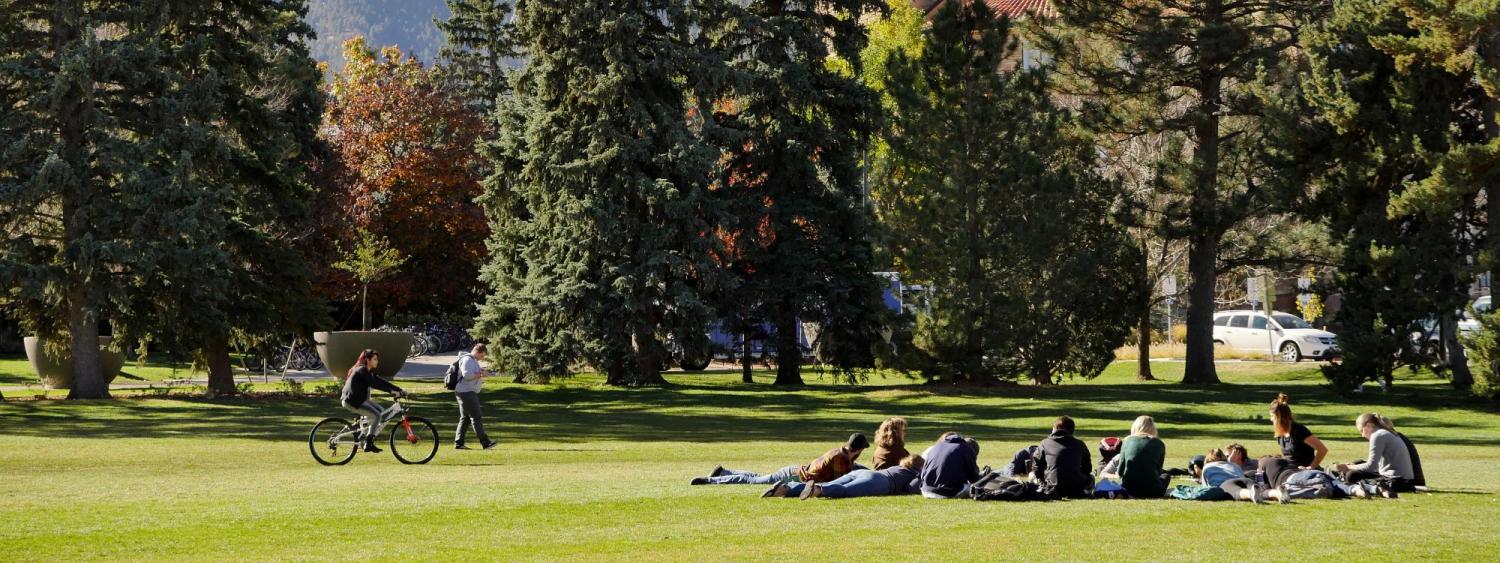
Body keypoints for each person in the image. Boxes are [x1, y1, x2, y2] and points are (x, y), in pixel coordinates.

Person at [691, 434, 868, 486]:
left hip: (794, 472)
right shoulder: (840, 458)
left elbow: (854, 468)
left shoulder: (841, 452)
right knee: (754, 481)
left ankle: (723, 472)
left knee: (758, 477)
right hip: (792, 477)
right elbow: (840, 481)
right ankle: (710, 480)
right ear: (858, 450)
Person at [767, 455, 925, 500]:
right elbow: (911, 487)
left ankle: (785, 489)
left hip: (863, 473)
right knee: (845, 491)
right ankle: (817, 490)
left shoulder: (899, 467)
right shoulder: (915, 472)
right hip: (880, 482)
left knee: (834, 483)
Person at [1332, 413, 1416, 495]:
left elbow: (1371, 466)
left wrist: (1347, 467)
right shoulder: (1387, 432)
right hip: (1404, 481)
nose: (1362, 435)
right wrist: (1353, 466)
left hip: (1396, 481)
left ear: (1368, 425)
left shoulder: (1378, 435)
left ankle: (1373, 488)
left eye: (1362, 431)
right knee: (1358, 463)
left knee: (1351, 475)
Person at [340, 349, 406, 453]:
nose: (377, 361)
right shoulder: (361, 370)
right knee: (377, 416)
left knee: (380, 411)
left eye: (377, 359)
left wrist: (399, 390)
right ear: (368, 359)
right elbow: (374, 384)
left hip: (359, 400)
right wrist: (391, 392)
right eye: (375, 359)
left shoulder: (367, 371)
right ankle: (368, 443)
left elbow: (380, 381)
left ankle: (365, 434)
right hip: (351, 401)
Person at [1033, 416, 1092, 499]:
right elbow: (1087, 468)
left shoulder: (1045, 443)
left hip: (1052, 487)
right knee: (1091, 477)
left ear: (1054, 429)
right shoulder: (1080, 444)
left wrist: (1043, 481)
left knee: (1032, 476)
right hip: (1076, 488)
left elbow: (1036, 466)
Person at [1111, 415, 1167, 498]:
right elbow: (1158, 471)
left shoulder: (1127, 441)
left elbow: (1120, 472)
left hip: (1128, 489)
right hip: (1153, 490)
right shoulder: (1159, 444)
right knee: (1166, 476)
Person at [1268, 393, 1328, 469]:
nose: (1271, 419)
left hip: (1304, 473)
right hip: (1289, 470)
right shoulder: (1280, 433)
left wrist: (1310, 467)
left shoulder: (1299, 431)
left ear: (1280, 418)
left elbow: (1322, 450)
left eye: (1272, 416)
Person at [453, 343, 496, 450]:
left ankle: (459, 443)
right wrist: (481, 374)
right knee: (476, 417)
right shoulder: (468, 360)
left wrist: (480, 373)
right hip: (467, 392)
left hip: (465, 391)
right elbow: (467, 375)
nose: (482, 358)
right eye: (482, 356)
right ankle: (485, 443)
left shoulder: (472, 360)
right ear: (477, 351)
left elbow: (471, 374)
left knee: (465, 418)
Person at [918, 433, 981, 498]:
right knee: (972, 488)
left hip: (925, 490)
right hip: (947, 492)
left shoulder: (936, 446)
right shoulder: (966, 449)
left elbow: (923, 473)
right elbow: (974, 479)